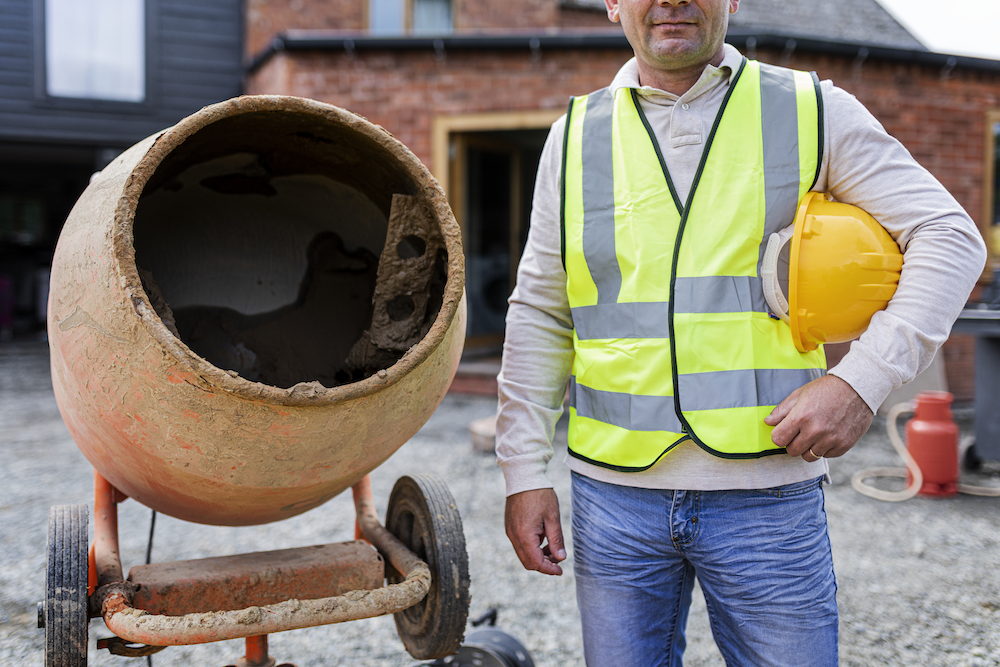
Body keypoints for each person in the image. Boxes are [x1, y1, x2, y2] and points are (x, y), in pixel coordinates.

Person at [495, 0, 988, 665]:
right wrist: (523, 470)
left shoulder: (810, 110)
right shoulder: (574, 136)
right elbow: (542, 310)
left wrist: (860, 382)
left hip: (768, 500)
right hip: (614, 500)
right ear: (611, 2)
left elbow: (950, 237)